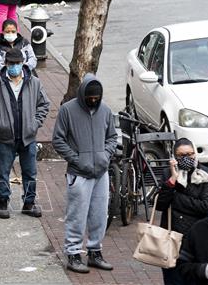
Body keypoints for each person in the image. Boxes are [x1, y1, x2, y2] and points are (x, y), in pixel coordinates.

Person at [52, 74, 117, 274]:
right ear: (83, 95)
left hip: (101, 173)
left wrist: (105, 156)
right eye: (90, 98)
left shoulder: (105, 110)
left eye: (97, 98)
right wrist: (77, 160)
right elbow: (58, 140)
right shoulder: (67, 110)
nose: (93, 101)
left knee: (100, 215)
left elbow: (112, 137)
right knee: (77, 216)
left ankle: (95, 252)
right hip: (79, 174)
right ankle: (73, 254)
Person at [0, 48, 50, 218]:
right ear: (6, 64)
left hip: (28, 136)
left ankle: (29, 203)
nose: (14, 67)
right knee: (3, 171)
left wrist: (35, 123)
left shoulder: (34, 82)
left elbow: (44, 104)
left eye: (17, 63)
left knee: (30, 172)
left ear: (23, 63)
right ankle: (2, 202)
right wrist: (0, 124)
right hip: (6, 137)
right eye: (11, 63)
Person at [156, 138, 208, 285]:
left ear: (195, 153)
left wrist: (176, 197)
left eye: (190, 154)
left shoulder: (207, 175)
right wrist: (172, 180)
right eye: (181, 155)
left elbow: (206, 207)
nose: (186, 158)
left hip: (197, 239)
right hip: (171, 239)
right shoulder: (168, 173)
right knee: (173, 280)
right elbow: (160, 205)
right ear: (174, 157)